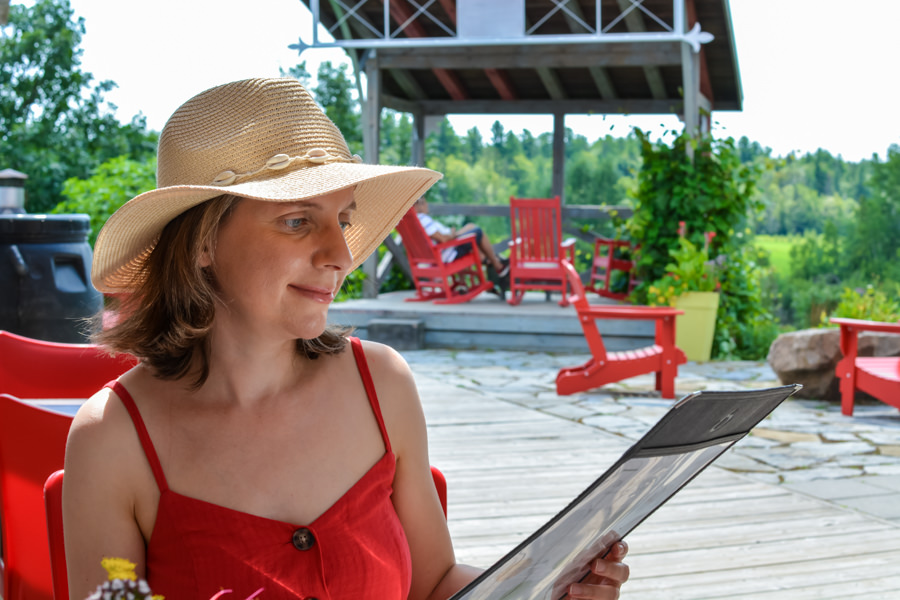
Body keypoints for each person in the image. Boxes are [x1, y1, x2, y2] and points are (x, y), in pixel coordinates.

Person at [62, 77, 630, 600]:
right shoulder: (112, 440)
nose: (341, 255)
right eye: (298, 220)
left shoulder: (382, 384)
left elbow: (432, 583)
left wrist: (546, 590)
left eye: (344, 219)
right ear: (201, 244)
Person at [413, 196, 509, 279]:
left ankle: (490, 261)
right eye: (425, 202)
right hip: (449, 252)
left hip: (444, 249)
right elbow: (443, 239)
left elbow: (439, 237)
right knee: (478, 232)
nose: (427, 205)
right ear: (418, 205)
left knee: (470, 226)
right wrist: (454, 235)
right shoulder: (423, 220)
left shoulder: (414, 221)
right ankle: (497, 265)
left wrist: (453, 234)